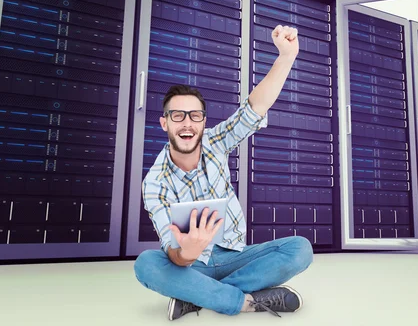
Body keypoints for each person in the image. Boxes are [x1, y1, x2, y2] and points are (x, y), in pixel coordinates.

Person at [134, 25, 314, 321]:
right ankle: (244, 301)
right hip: (192, 266)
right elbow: (173, 252)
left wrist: (286, 56)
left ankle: (196, 295)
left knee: (300, 249)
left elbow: (254, 108)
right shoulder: (154, 183)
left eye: (195, 116)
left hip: (237, 257)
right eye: (177, 116)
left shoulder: (216, 143)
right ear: (164, 123)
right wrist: (188, 253)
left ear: (204, 123)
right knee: (146, 265)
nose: (187, 124)